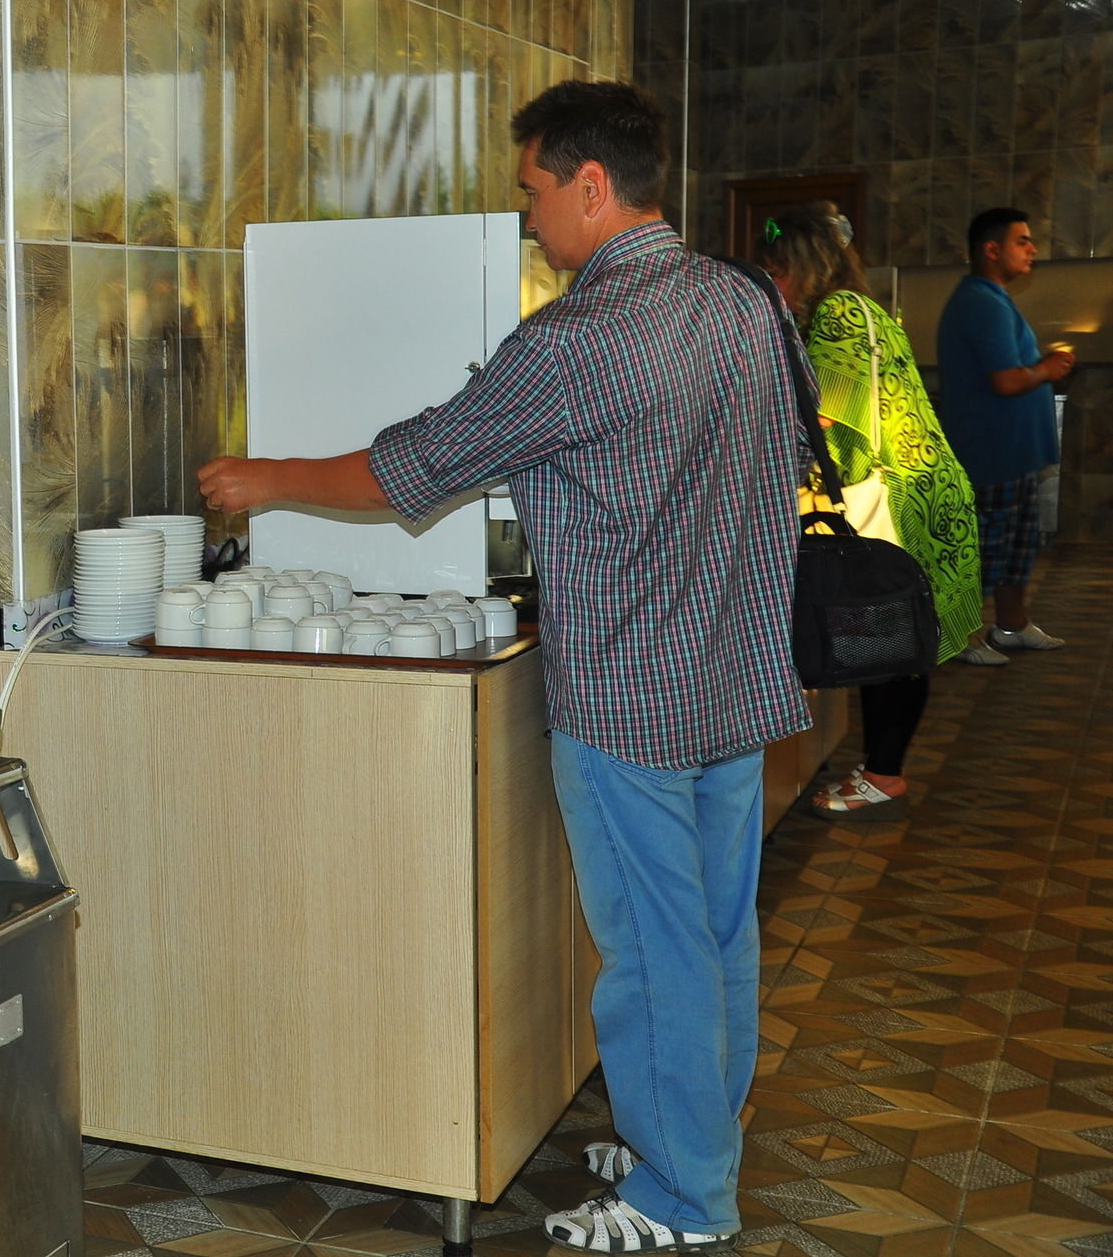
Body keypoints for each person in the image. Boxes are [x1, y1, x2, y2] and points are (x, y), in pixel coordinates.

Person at [198, 81, 806, 1255]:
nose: (526, 217)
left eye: (532, 190)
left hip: (628, 696)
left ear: (590, 184)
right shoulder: (741, 299)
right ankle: (696, 1136)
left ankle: (683, 1199)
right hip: (732, 674)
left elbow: (413, 465)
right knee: (715, 930)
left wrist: (265, 476)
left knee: (653, 951)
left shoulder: (574, 340)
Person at [750, 202, 981, 820]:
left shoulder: (840, 313)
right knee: (896, 640)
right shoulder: (864, 308)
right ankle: (883, 767)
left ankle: (884, 775)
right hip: (917, 487)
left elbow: (825, 417)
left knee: (893, 643)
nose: (773, 286)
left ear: (804, 266)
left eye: (778, 271)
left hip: (895, 500)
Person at [935, 208, 1074, 659]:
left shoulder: (992, 299)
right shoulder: (981, 302)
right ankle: (960, 637)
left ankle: (1012, 626)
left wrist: (1042, 366)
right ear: (991, 249)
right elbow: (1006, 381)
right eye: (1022, 241)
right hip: (991, 453)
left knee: (1015, 549)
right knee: (983, 550)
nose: (1033, 249)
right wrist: (1046, 369)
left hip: (1012, 453)